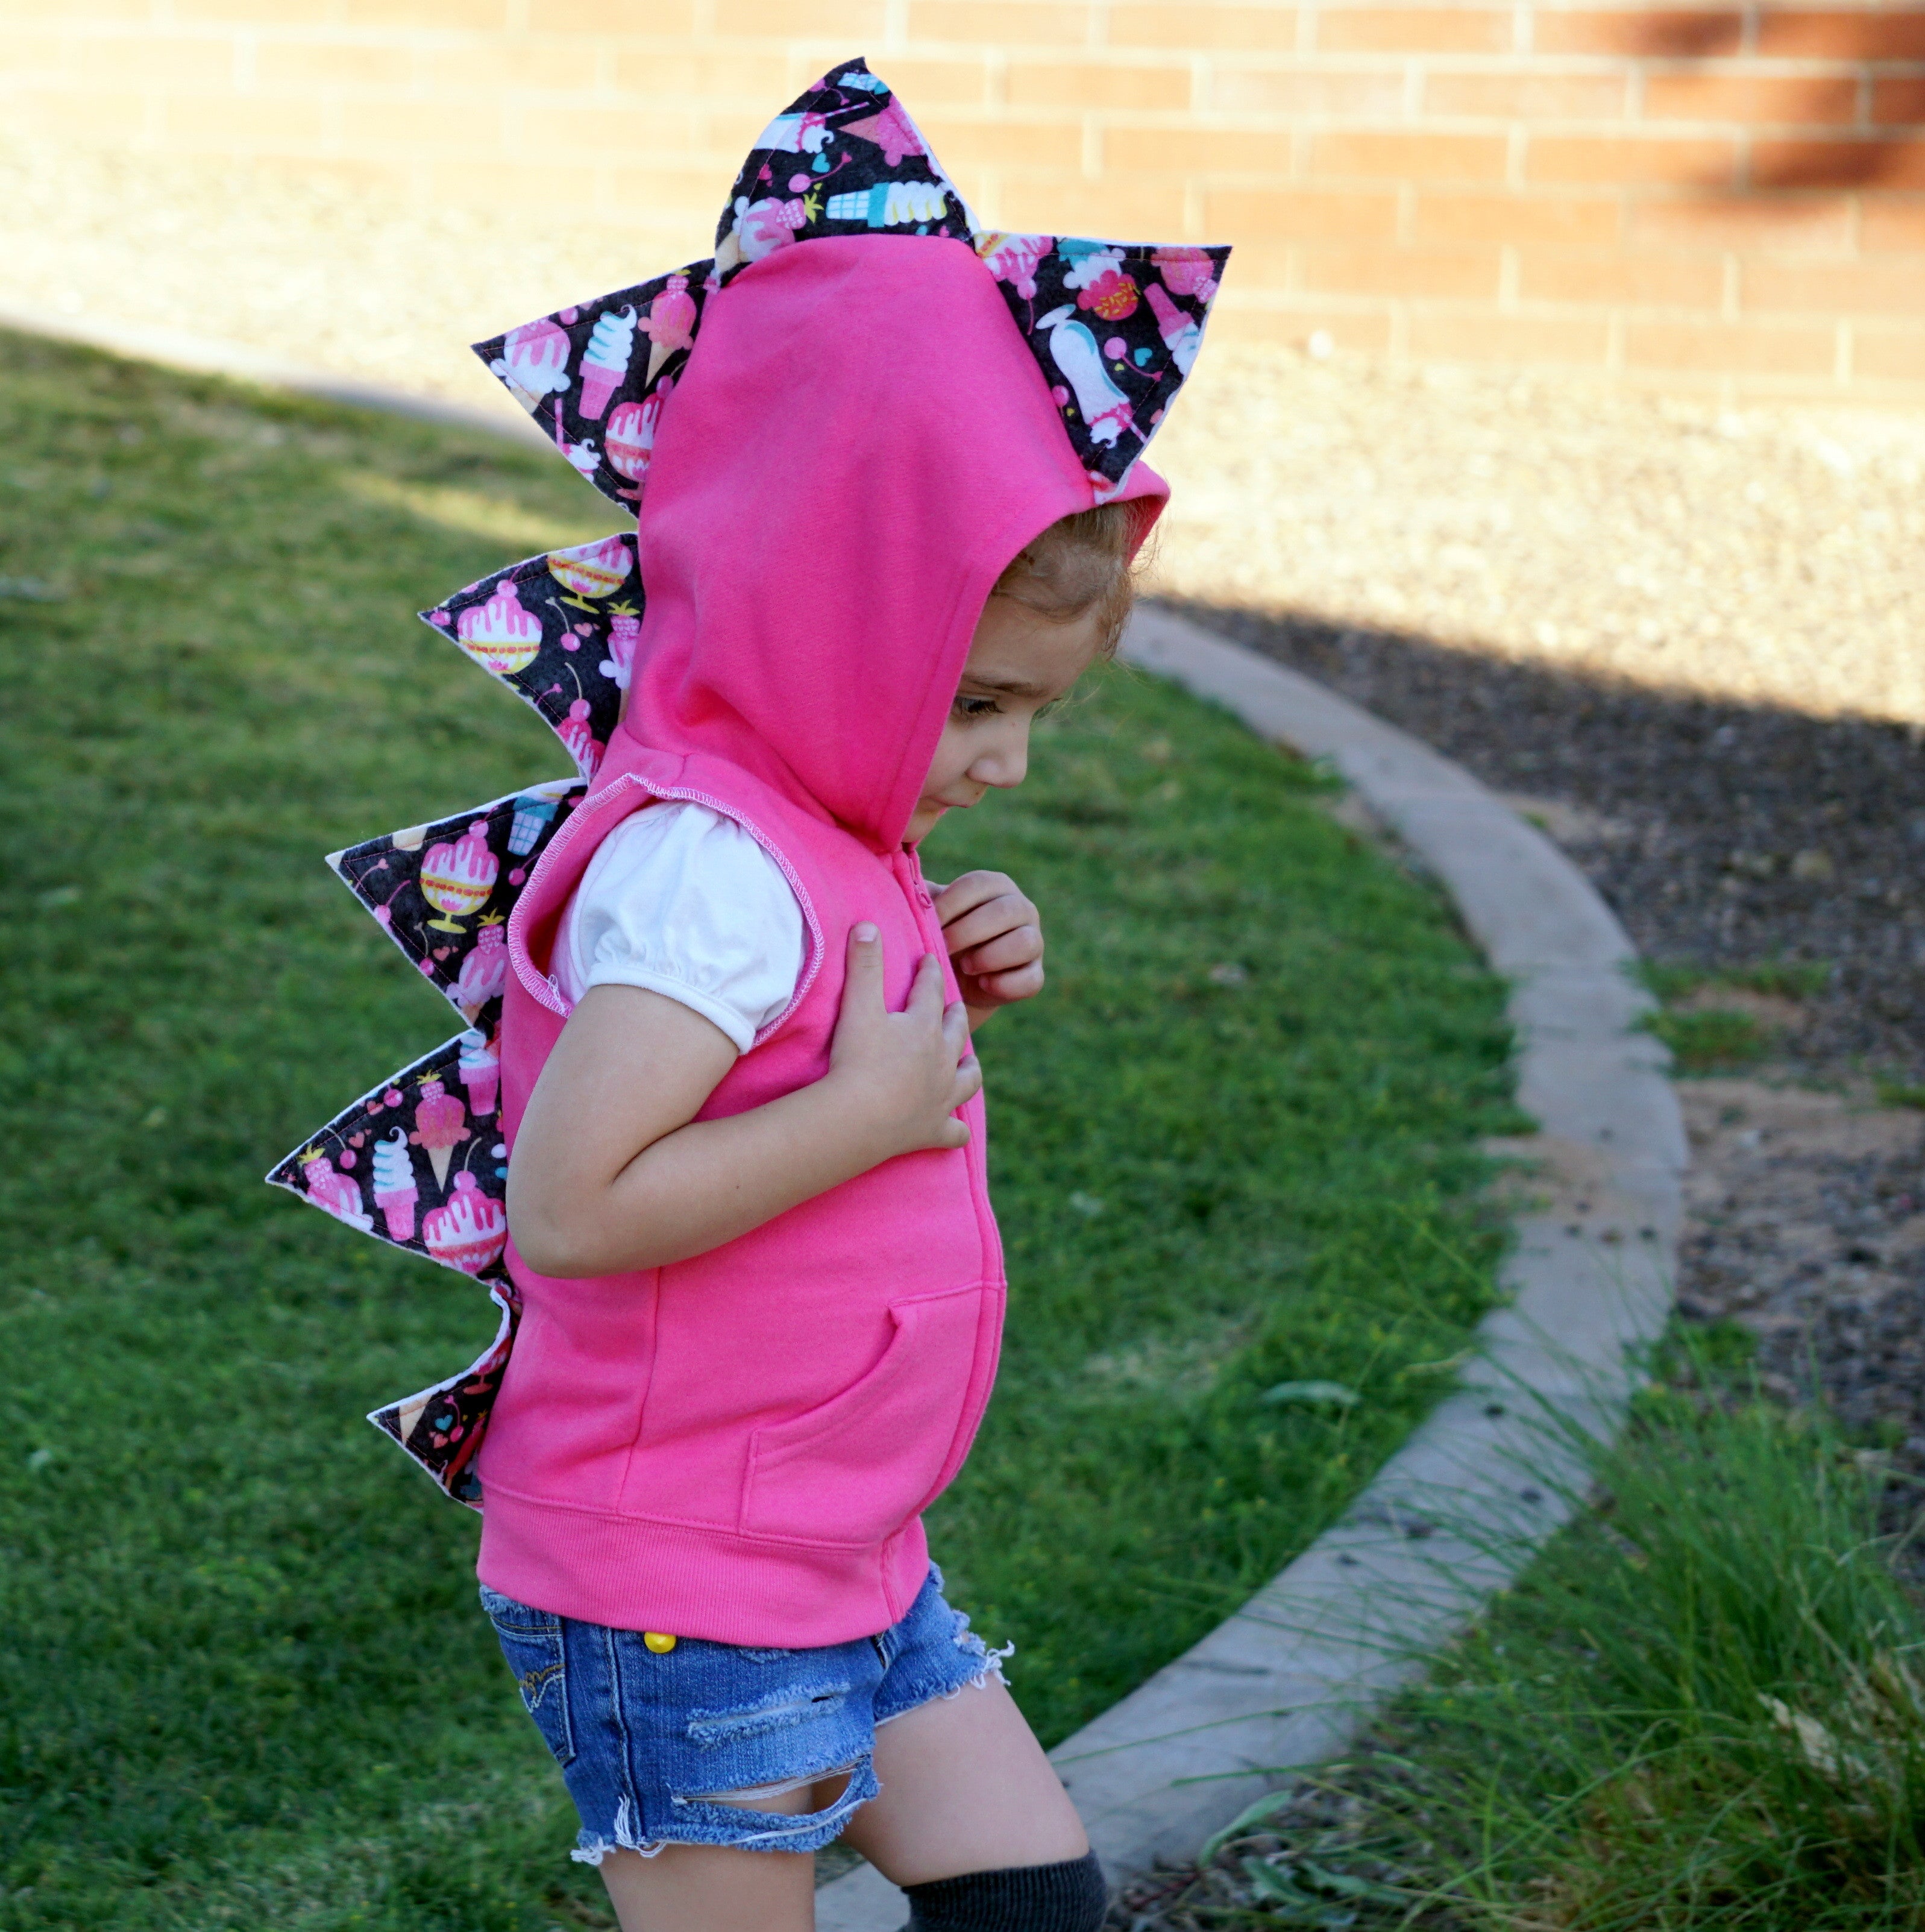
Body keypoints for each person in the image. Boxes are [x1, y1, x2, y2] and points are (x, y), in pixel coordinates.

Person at [422, 64, 1222, 1932]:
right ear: (825, 623)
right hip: (681, 1576)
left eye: (1031, 714)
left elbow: (788, 1053)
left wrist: (949, 962)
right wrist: (862, 1109)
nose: (1006, 766)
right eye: (981, 708)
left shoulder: (818, 819)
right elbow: (572, 1201)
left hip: (841, 1549)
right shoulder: (704, 867)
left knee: (1032, 1905)